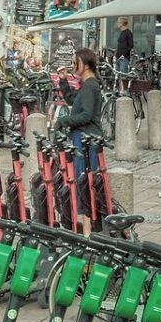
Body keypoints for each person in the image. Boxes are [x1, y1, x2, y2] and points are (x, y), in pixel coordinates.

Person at [55, 47, 104, 235]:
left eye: (76, 62)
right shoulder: (86, 85)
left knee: (84, 182)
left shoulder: (91, 86)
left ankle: (88, 231)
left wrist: (62, 121)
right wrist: (63, 80)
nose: (74, 65)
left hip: (86, 139)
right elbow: (73, 101)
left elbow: (86, 115)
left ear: (85, 63)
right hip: (81, 137)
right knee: (80, 181)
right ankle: (85, 229)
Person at [115, 17, 133, 92]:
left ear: (122, 23)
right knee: (118, 75)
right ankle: (120, 90)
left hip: (124, 58)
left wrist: (124, 55)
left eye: (119, 22)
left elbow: (130, 45)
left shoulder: (128, 33)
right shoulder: (121, 33)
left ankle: (124, 90)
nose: (117, 23)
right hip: (118, 57)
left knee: (123, 75)